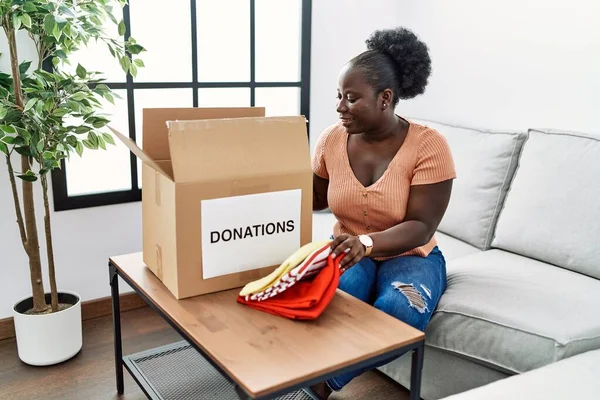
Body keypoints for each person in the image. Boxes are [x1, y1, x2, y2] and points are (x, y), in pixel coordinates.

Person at [309, 27, 456, 398]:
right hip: (348, 250)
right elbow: (315, 199)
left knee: (401, 310)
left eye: (351, 98)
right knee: (327, 298)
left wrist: (367, 242)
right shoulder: (330, 139)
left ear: (385, 98)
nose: (340, 106)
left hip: (411, 255)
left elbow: (422, 226)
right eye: (339, 96)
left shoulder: (429, 146)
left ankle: (322, 383)